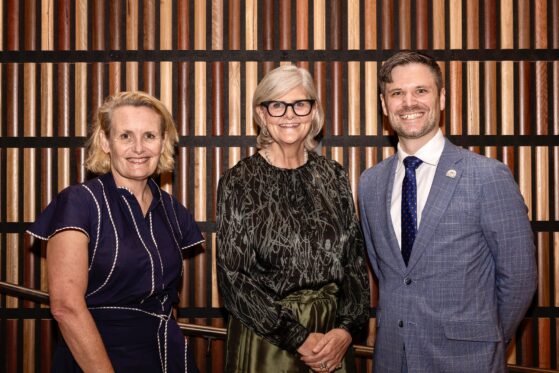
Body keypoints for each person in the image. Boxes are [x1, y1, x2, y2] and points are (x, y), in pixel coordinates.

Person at [358, 50, 537, 372]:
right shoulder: (371, 183)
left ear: (441, 99)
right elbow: (388, 275)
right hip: (392, 358)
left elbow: (520, 276)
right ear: (384, 105)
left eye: (420, 91)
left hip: (468, 359)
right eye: (397, 93)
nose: (409, 102)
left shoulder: (487, 176)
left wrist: (488, 339)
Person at [26, 91, 203, 373]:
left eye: (149, 136)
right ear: (106, 142)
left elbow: (168, 298)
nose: (138, 148)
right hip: (97, 357)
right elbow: (65, 306)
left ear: (163, 142)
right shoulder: (79, 202)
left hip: (167, 357)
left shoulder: (172, 210)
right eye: (125, 136)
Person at [216, 65, 370, 373]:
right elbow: (233, 278)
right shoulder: (240, 180)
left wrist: (345, 329)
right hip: (268, 341)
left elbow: (353, 262)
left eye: (300, 104)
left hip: (331, 338)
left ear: (313, 112)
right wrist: (297, 337)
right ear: (261, 114)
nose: (290, 114)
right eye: (277, 105)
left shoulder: (333, 175)